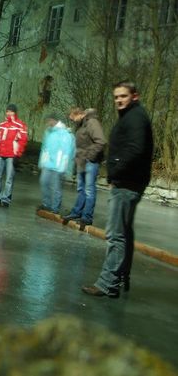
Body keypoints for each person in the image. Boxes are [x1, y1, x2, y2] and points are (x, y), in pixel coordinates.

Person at [82, 81, 153, 299]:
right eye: (116, 97)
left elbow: (136, 149)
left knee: (115, 235)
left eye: (123, 96)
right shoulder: (132, 116)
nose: (118, 100)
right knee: (124, 233)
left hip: (126, 184)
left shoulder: (136, 118)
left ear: (135, 96)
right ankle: (120, 277)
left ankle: (107, 284)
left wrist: (116, 172)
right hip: (129, 182)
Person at [63, 107, 106, 227]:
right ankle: (77, 212)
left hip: (90, 162)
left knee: (89, 190)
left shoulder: (92, 122)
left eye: (73, 118)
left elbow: (101, 141)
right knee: (81, 189)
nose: (73, 121)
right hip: (82, 161)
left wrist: (89, 157)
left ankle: (87, 217)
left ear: (79, 114)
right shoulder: (82, 125)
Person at [0, 104, 28, 208]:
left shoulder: (20, 125)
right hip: (0, 154)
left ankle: (5, 200)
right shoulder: (1, 125)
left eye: (11, 111)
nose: (9, 113)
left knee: (9, 179)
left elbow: (23, 141)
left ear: (15, 112)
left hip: (11, 156)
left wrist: (17, 156)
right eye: (8, 111)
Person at [37, 113, 75, 214]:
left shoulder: (65, 134)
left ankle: (55, 208)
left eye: (48, 120)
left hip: (58, 165)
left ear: (54, 120)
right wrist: (42, 162)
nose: (47, 123)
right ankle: (46, 204)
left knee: (56, 187)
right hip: (48, 164)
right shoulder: (48, 132)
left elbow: (67, 151)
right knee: (44, 182)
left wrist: (65, 166)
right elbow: (44, 148)